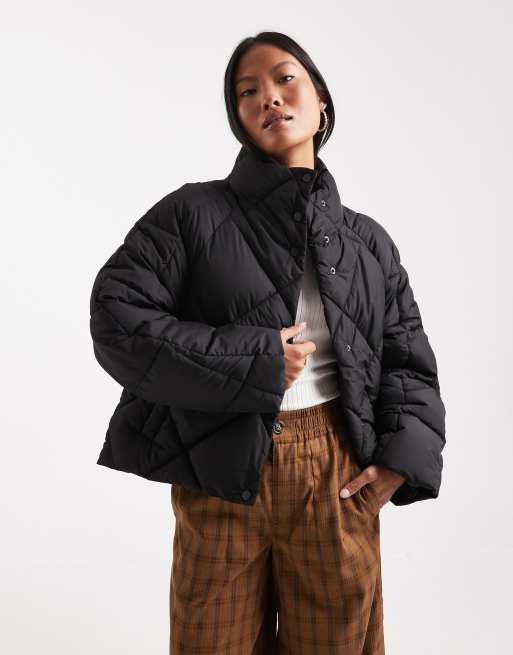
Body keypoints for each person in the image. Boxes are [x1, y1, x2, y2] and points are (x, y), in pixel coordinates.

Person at [89, 31, 446, 655]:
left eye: (285, 79)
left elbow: (406, 359)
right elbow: (117, 318)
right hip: (221, 466)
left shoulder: (368, 242)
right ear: (240, 120)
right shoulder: (192, 214)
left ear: (321, 101)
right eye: (247, 92)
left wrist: (400, 458)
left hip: (337, 475)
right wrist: (254, 360)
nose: (269, 98)